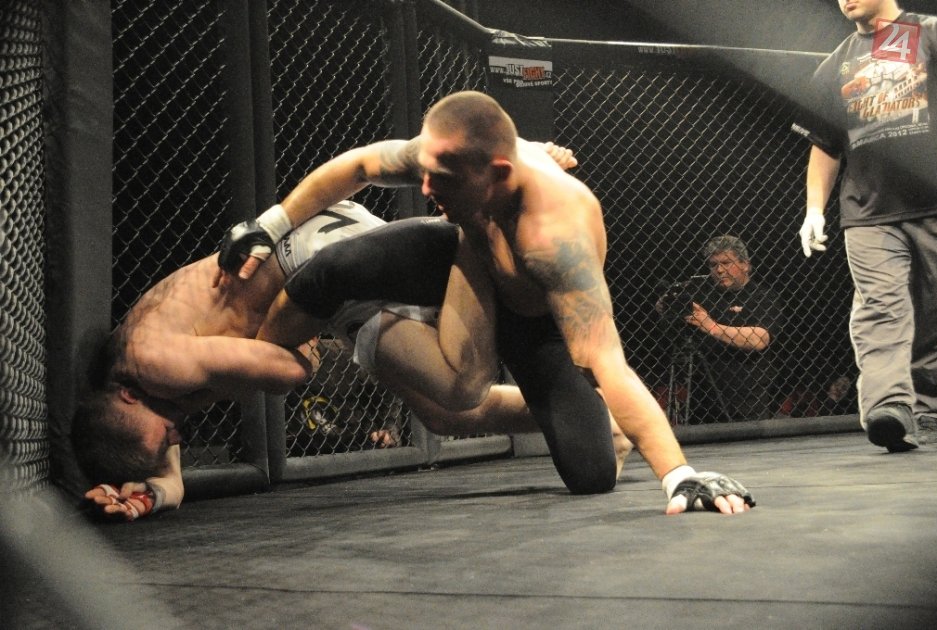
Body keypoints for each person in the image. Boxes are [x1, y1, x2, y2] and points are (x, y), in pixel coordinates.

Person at [227, 91, 755, 514]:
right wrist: (269, 225)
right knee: (334, 267)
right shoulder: (454, 155)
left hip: (532, 322)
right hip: (463, 255)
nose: (425, 187)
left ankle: (605, 424)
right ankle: (252, 365)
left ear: (498, 173)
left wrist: (678, 473)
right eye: (425, 172)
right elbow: (360, 165)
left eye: (442, 180)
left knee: (588, 474)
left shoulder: (556, 238)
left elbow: (605, 360)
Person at [76, 146, 634, 520]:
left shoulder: (155, 364)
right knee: (445, 415)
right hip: (318, 259)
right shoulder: (145, 384)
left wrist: (293, 350)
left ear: (127, 399)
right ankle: (596, 414)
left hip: (314, 262)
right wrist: (150, 493)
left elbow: (290, 369)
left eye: (163, 438)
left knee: (459, 385)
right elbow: (168, 466)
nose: (176, 438)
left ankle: (484, 223)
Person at [793, 0, 937, 452]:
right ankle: (889, 407)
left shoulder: (935, 34)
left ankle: (929, 408)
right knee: (881, 307)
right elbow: (825, 144)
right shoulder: (835, 66)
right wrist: (814, 210)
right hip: (868, 211)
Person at [656, 235, 781, 423]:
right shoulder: (701, 294)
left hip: (747, 401)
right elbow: (671, 330)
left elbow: (759, 339)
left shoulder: (762, 297)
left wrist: (711, 326)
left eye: (726, 263)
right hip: (702, 402)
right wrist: (667, 307)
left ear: (745, 265)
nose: (720, 270)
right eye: (713, 265)